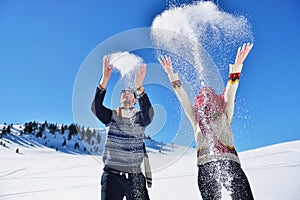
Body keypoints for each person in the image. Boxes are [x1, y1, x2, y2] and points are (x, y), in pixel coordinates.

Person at [158, 43, 254, 200]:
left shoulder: (224, 114)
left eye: (208, 93)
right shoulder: (196, 119)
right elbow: (183, 98)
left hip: (229, 163)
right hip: (205, 167)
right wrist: (171, 74)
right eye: (201, 94)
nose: (205, 96)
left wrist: (237, 66)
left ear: (216, 97)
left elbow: (230, 93)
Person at [91, 55, 154, 200]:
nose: (127, 95)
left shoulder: (139, 119)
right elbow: (96, 107)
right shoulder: (111, 116)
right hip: (112, 176)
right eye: (124, 94)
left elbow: (149, 116)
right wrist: (104, 81)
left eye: (131, 95)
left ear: (135, 101)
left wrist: (139, 87)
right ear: (120, 99)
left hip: (135, 177)